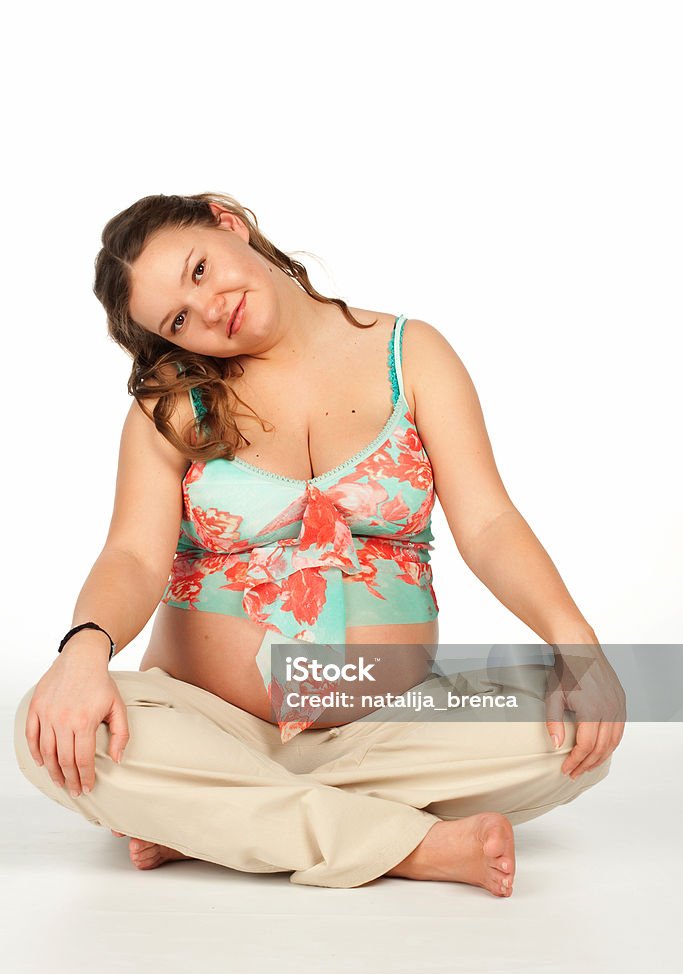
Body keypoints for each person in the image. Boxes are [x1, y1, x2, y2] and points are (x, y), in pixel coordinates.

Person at [13, 192, 624, 897]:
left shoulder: (410, 353)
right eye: (178, 318)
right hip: (212, 721)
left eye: (200, 270)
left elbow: (487, 524)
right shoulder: (173, 404)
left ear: (228, 222)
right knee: (50, 730)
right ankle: (406, 846)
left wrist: (577, 646)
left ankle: (215, 818)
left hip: (386, 727)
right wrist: (84, 652)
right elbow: (131, 556)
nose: (207, 309)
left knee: (570, 734)